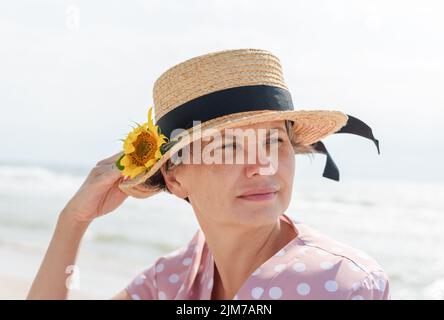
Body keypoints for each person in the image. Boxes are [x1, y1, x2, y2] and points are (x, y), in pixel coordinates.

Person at [27, 48, 390, 300]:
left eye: (274, 141)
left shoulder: (344, 285)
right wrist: (73, 219)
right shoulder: (176, 278)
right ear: (174, 176)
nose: (261, 165)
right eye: (228, 147)